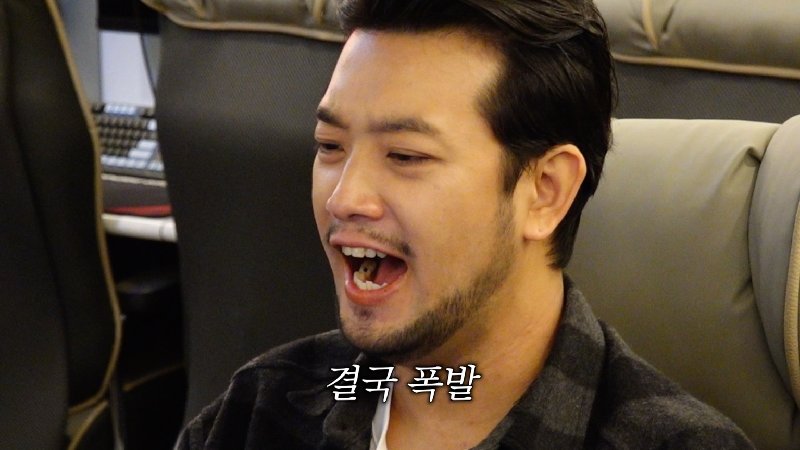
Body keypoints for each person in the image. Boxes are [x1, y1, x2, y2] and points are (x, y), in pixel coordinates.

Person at [177, 0, 754, 448]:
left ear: (545, 191)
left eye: (405, 156)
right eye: (330, 145)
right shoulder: (259, 410)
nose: (345, 198)